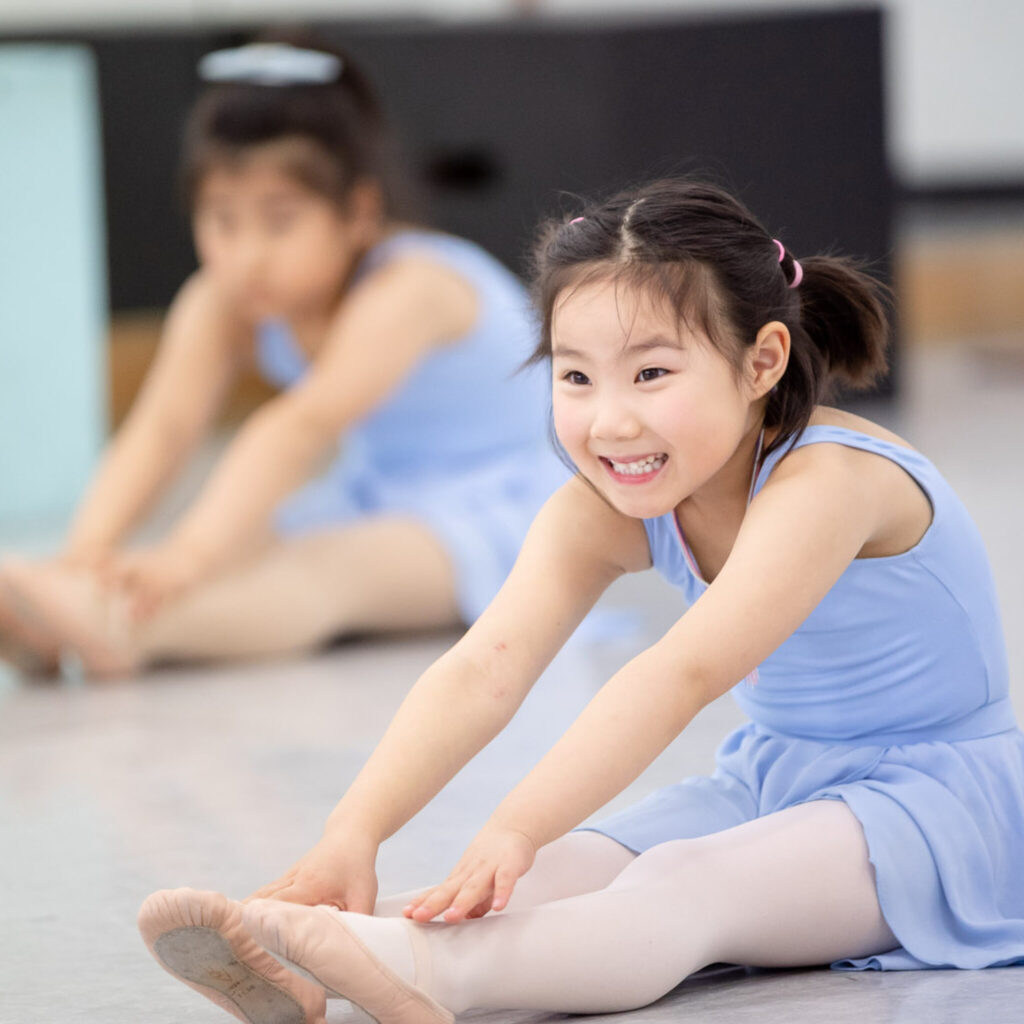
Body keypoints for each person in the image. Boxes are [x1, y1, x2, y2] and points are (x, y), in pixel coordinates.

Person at [136, 179, 1024, 1023]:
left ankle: (433, 974)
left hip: (939, 806)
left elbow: (681, 673)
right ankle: (339, 948)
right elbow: (486, 664)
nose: (611, 422)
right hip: (776, 778)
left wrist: (515, 821)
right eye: (575, 378)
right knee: (568, 866)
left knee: (683, 884)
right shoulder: (606, 502)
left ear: (761, 361)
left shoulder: (826, 481)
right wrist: (353, 831)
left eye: (651, 375)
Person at [0, 37, 564, 678]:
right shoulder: (224, 301)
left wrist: (186, 558)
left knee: (328, 569)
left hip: (515, 505)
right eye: (222, 220)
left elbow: (300, 429)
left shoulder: (410, 289)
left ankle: (125, 626)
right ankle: (74, 608)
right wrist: (88, 552)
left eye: (280, 221)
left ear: (357, 211)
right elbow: (161, 430)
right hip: (382, 489)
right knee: (248, 544)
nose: (247, 256)